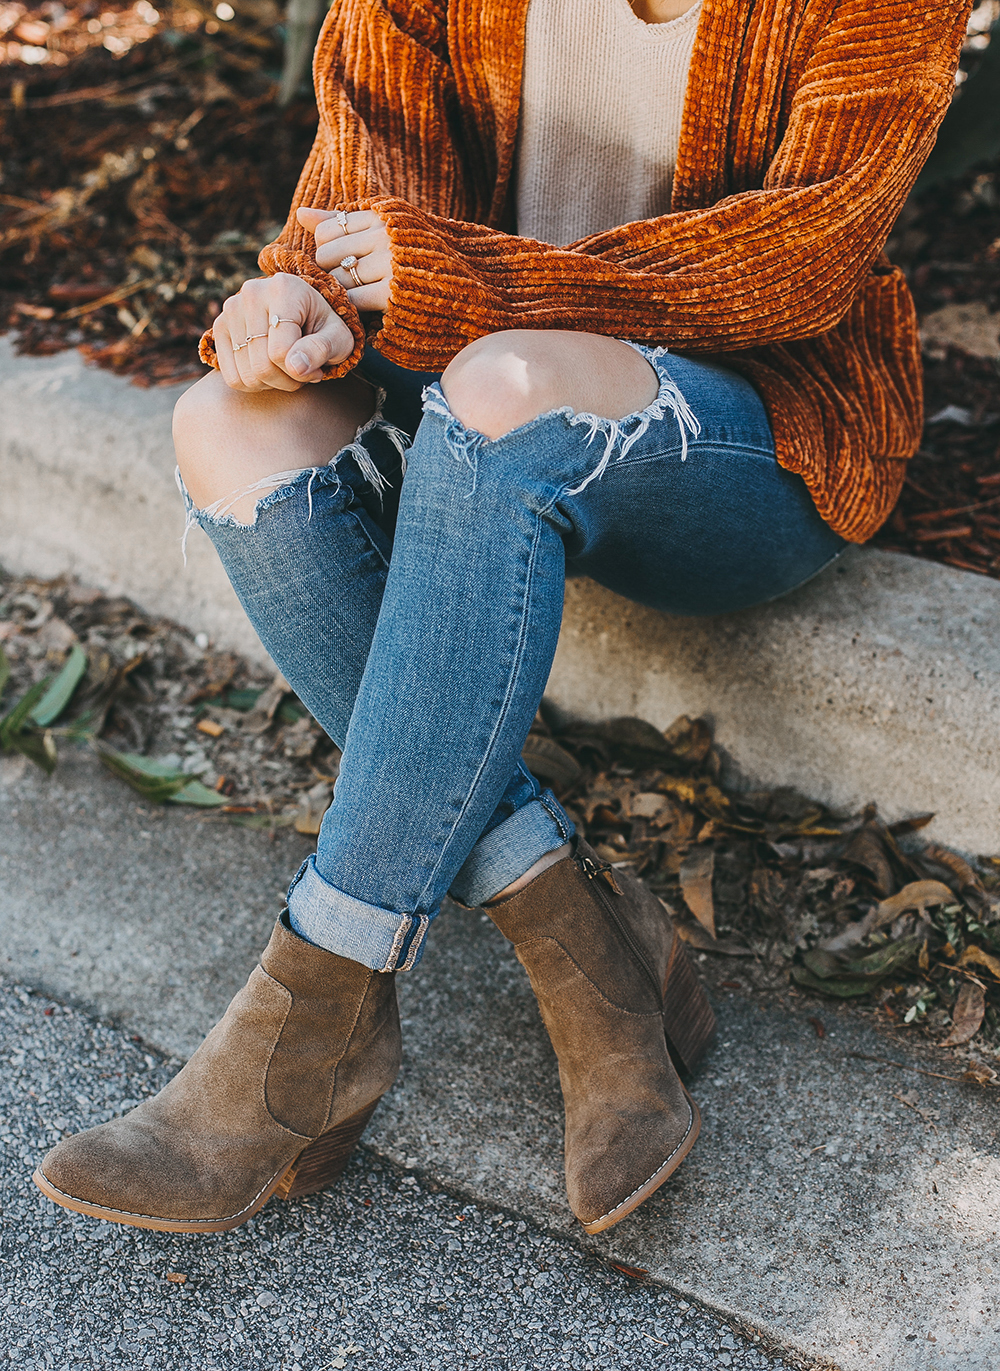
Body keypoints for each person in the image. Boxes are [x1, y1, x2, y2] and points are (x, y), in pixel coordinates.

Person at [34, 0, 968, 1236]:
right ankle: (587, 942)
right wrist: (304, 305)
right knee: (228, 425)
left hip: (751, 430)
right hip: (474, 374)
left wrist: (477, 287)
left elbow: (804, 258)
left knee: (500, 384)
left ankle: (307, 1022)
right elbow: (364, 186)